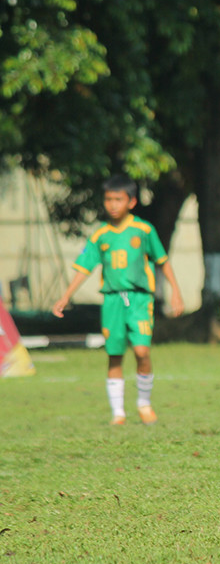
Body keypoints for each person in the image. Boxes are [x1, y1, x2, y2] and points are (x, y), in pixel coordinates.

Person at [52, 174, 185, 425]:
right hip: (112, 301)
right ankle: (118, 413)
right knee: (114, 354)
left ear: (131, 202)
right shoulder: (100, 235)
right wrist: (66, 295)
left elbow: (162, 261)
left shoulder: (144, 230)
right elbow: (84, 267)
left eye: (118, 199)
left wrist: (175, 292)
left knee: (142, 351)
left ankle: (144, 404)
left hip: (139, 300)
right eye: (108, 200)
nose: (112, 204)